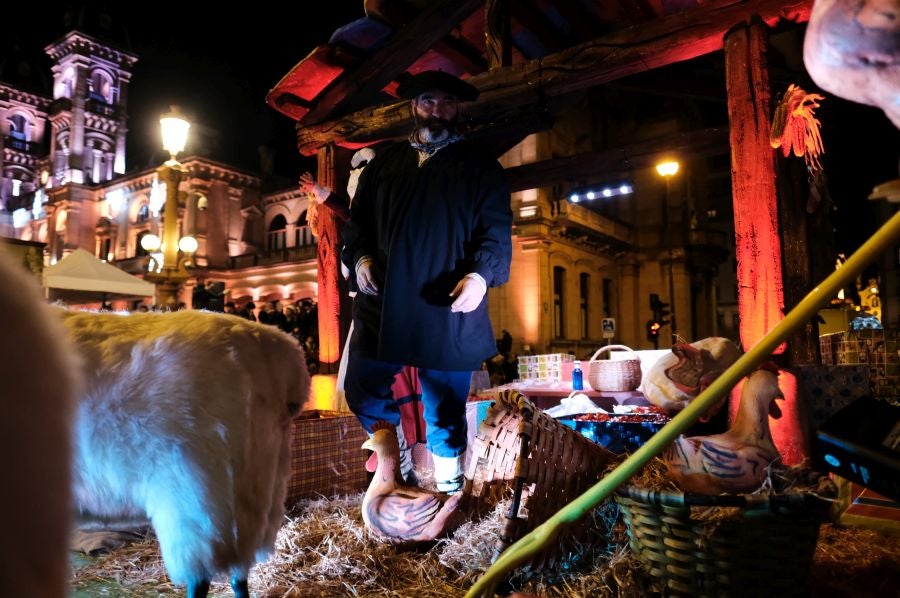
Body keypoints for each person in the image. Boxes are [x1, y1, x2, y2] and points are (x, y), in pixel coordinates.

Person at [340, 70, 513, 493]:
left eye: (447, 103)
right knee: (362, 387)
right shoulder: (383, 164)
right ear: (413, 107)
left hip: (447, 299)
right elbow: (357, 224)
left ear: (458, 109)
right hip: (385, 299)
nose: (438, 110)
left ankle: (450, 488)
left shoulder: (479, 166)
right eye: (429, 101)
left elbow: (495, 228)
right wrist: (361, 259)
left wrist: (480, 275)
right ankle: (392, 468)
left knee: (445, 405)